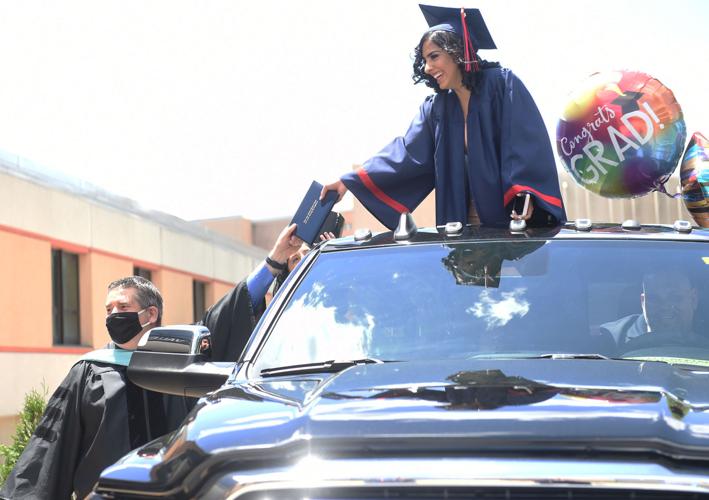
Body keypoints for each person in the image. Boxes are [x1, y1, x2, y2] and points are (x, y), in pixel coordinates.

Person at [0, 224, 303, 500]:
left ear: (151, 314)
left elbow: (230, 313)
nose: (113, 315)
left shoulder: (183, 359)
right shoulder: (89, 371)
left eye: (123, 306)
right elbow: (51, 450)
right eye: (109, 309)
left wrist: (275, 261)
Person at [320, 5, 565, 229]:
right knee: (469, 274)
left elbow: (525, 144)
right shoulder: (437, 108)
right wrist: (348, 181)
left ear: (457, 50)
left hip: (511, 219)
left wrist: (525, 193)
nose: (427, 68)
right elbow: (406, 154)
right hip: (461, 222)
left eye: (434, 56)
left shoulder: (502, 85)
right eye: (425, 60)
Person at [602, 270, 702, 350]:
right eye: (654, 299)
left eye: (674, 298)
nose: (664, 307)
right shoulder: (611, 338)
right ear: (643, 302)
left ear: (694, 299)